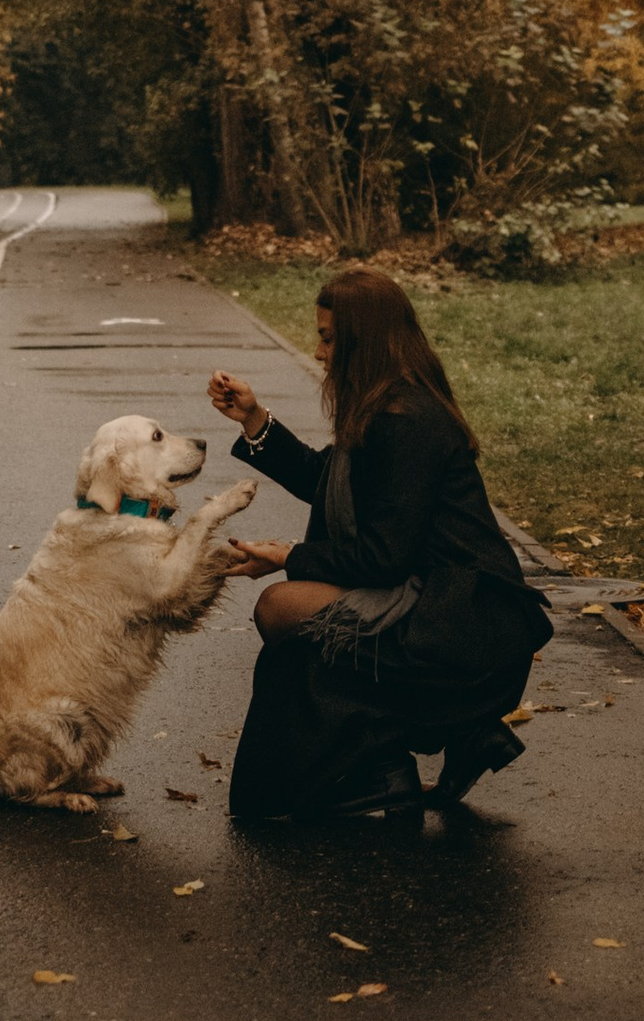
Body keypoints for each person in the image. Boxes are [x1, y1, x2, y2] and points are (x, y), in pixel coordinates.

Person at [207, 264, 552, 822]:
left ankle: (384, 764)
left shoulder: (407, 419)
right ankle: (441, 741)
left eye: (328, 338)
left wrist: (288, 556)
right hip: (434, 597)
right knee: (287, 619)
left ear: (361, 342)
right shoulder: (386, 405)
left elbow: (385, 556)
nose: (318, 352)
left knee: (280, 610)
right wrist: (254, 419)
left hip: (464, 617)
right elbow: (328, 481)